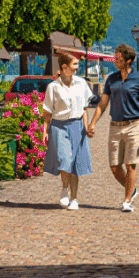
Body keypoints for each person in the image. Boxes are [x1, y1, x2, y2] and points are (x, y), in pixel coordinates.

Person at [87, 43, 139, 212]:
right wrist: (93, 123)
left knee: (130, 165)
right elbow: (102, 104)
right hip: (115, 127)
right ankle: (132, 190)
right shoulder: (112, 79)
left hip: (134, 126)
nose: (115, 61)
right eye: (115, 58)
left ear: (128, 61)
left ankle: (127, 200)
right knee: (115, 167)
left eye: (118, 58)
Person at [41, 52, 95, 210]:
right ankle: (64, 189)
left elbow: (85, 108)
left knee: (75, 165)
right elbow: (47, 112)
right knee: (64, 160)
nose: (78, 67)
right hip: (58, 126)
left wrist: (87, 127)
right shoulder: (53, 87)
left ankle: (74, 198)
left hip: (77, 126)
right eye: (75, 64)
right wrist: (45, 131)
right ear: (64, 67)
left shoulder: (82, 83)